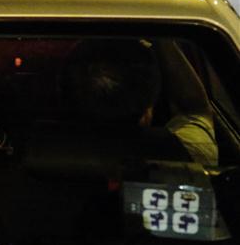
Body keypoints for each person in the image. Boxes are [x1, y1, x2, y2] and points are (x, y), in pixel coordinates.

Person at [59, 39, 217, 166]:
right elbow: (195, 108)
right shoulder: (189, 154)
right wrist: (162, 38)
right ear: (148, 107)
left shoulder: (39, 154)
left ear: (64, 94)